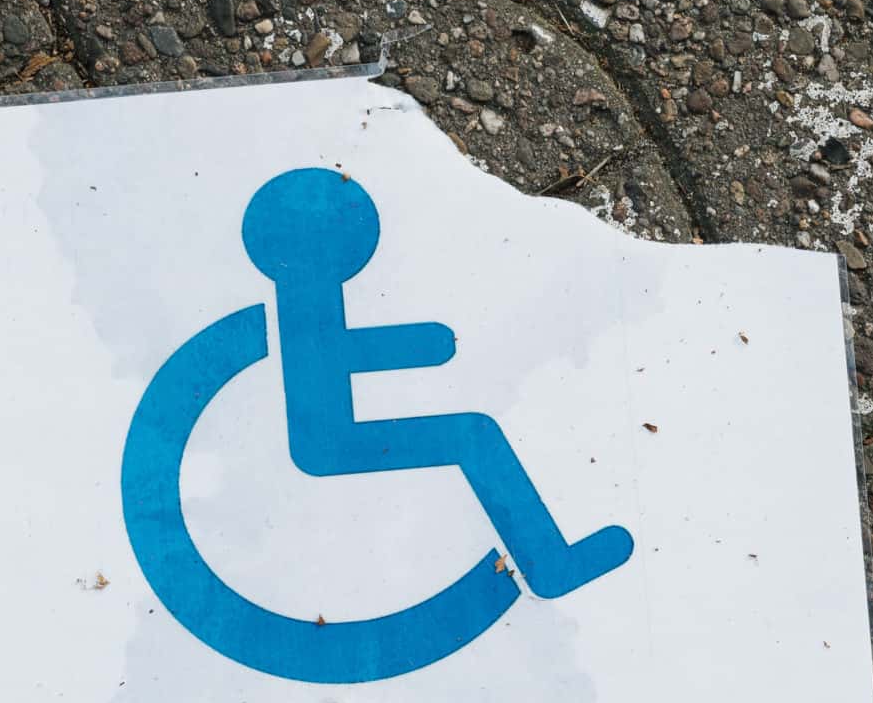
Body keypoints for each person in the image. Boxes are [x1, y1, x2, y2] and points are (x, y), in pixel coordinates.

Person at [240, 167, 633, 597]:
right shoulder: (306, 295)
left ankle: (548, 560)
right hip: (331, 443)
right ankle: (549, 563)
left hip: (330, 435)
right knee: (474, 435)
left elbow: (340, 352)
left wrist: (426, 344)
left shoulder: (295, 290)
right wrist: (428, 343)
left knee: (474, 435)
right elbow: (342, 353)